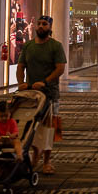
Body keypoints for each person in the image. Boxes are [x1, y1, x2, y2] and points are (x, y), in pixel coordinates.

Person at [17, 15, 65, 174]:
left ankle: (47, 161)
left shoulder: (56, 46)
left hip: (50, 94)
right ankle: (35, 153)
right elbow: (21, 66)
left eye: (44, 24)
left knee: (50, 128)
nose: (41, 26)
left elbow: (60, 68)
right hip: (32, 94)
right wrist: (21, 83)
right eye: (39, 24)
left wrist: (45, 81)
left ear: (50, 27)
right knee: (31, 126)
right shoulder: (28, 46)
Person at [0, 100, 22, 178]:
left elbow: (15, 132)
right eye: (1, 116)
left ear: (10, 113)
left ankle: (19, 155)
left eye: (6, 116)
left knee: (17, 141)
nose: (4, 118)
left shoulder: (12, 121)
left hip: (9, 140)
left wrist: (11, 135)